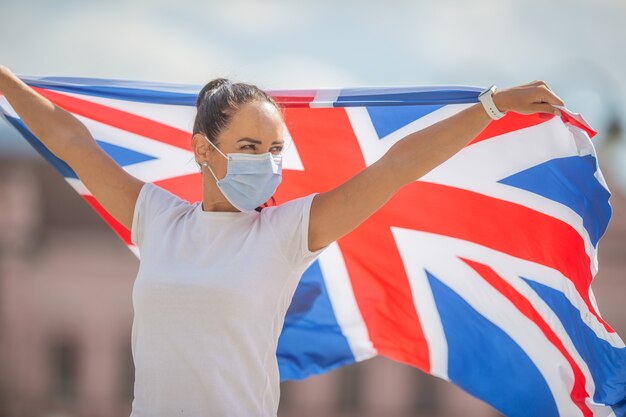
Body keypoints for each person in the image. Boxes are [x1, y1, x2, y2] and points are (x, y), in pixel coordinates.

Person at [0, 65, 565, 416]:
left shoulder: (287, 233)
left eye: (274, 150)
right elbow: (71, 140)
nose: (267, 163)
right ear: (203, 150)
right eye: (249, 147)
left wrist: (490, 108)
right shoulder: (156, 218)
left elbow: (394, 167)